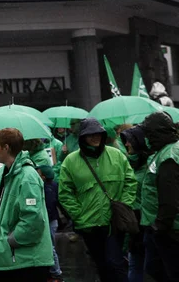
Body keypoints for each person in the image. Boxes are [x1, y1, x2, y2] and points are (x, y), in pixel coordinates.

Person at [58, 118, 136, 282]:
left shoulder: (116, 155)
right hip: (89, 224)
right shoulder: (70, 161)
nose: (95, 137)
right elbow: (65, 193)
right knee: (101, 264)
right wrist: (78, 215)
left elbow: (130, 181)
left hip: (113, 222)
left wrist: (124, 205)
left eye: (98, 134)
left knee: (115, 262)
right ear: (82, 137)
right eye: (90, 135)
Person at [0, 128, 53, 282]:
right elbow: (5, 211)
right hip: (7, 260)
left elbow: (33, 220)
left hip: (25, 262)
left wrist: (9, 241)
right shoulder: (2, 174)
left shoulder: (27, 177)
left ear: (6, 148)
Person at [140, 111, 179, 281]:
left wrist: (160, 226)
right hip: (165, 227)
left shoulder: (168, 157)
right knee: (155, 268)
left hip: (170, 230)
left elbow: (170, 198)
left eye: (148, 134)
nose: (146, 138)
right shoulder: (165, 151)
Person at [120, 125, 149, 282]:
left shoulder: (150, 166)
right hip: (133, 222)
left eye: (129, 141)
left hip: (147, 222)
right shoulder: (127, 164)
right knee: (135, 264)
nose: (126, 144)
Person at [37, 164, 63, 282]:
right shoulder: (54, 186)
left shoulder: (46, 189)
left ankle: (56, 273)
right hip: (53, 220)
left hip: (49, 221)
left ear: (43, 176)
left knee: (50, 247)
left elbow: (48, 206)